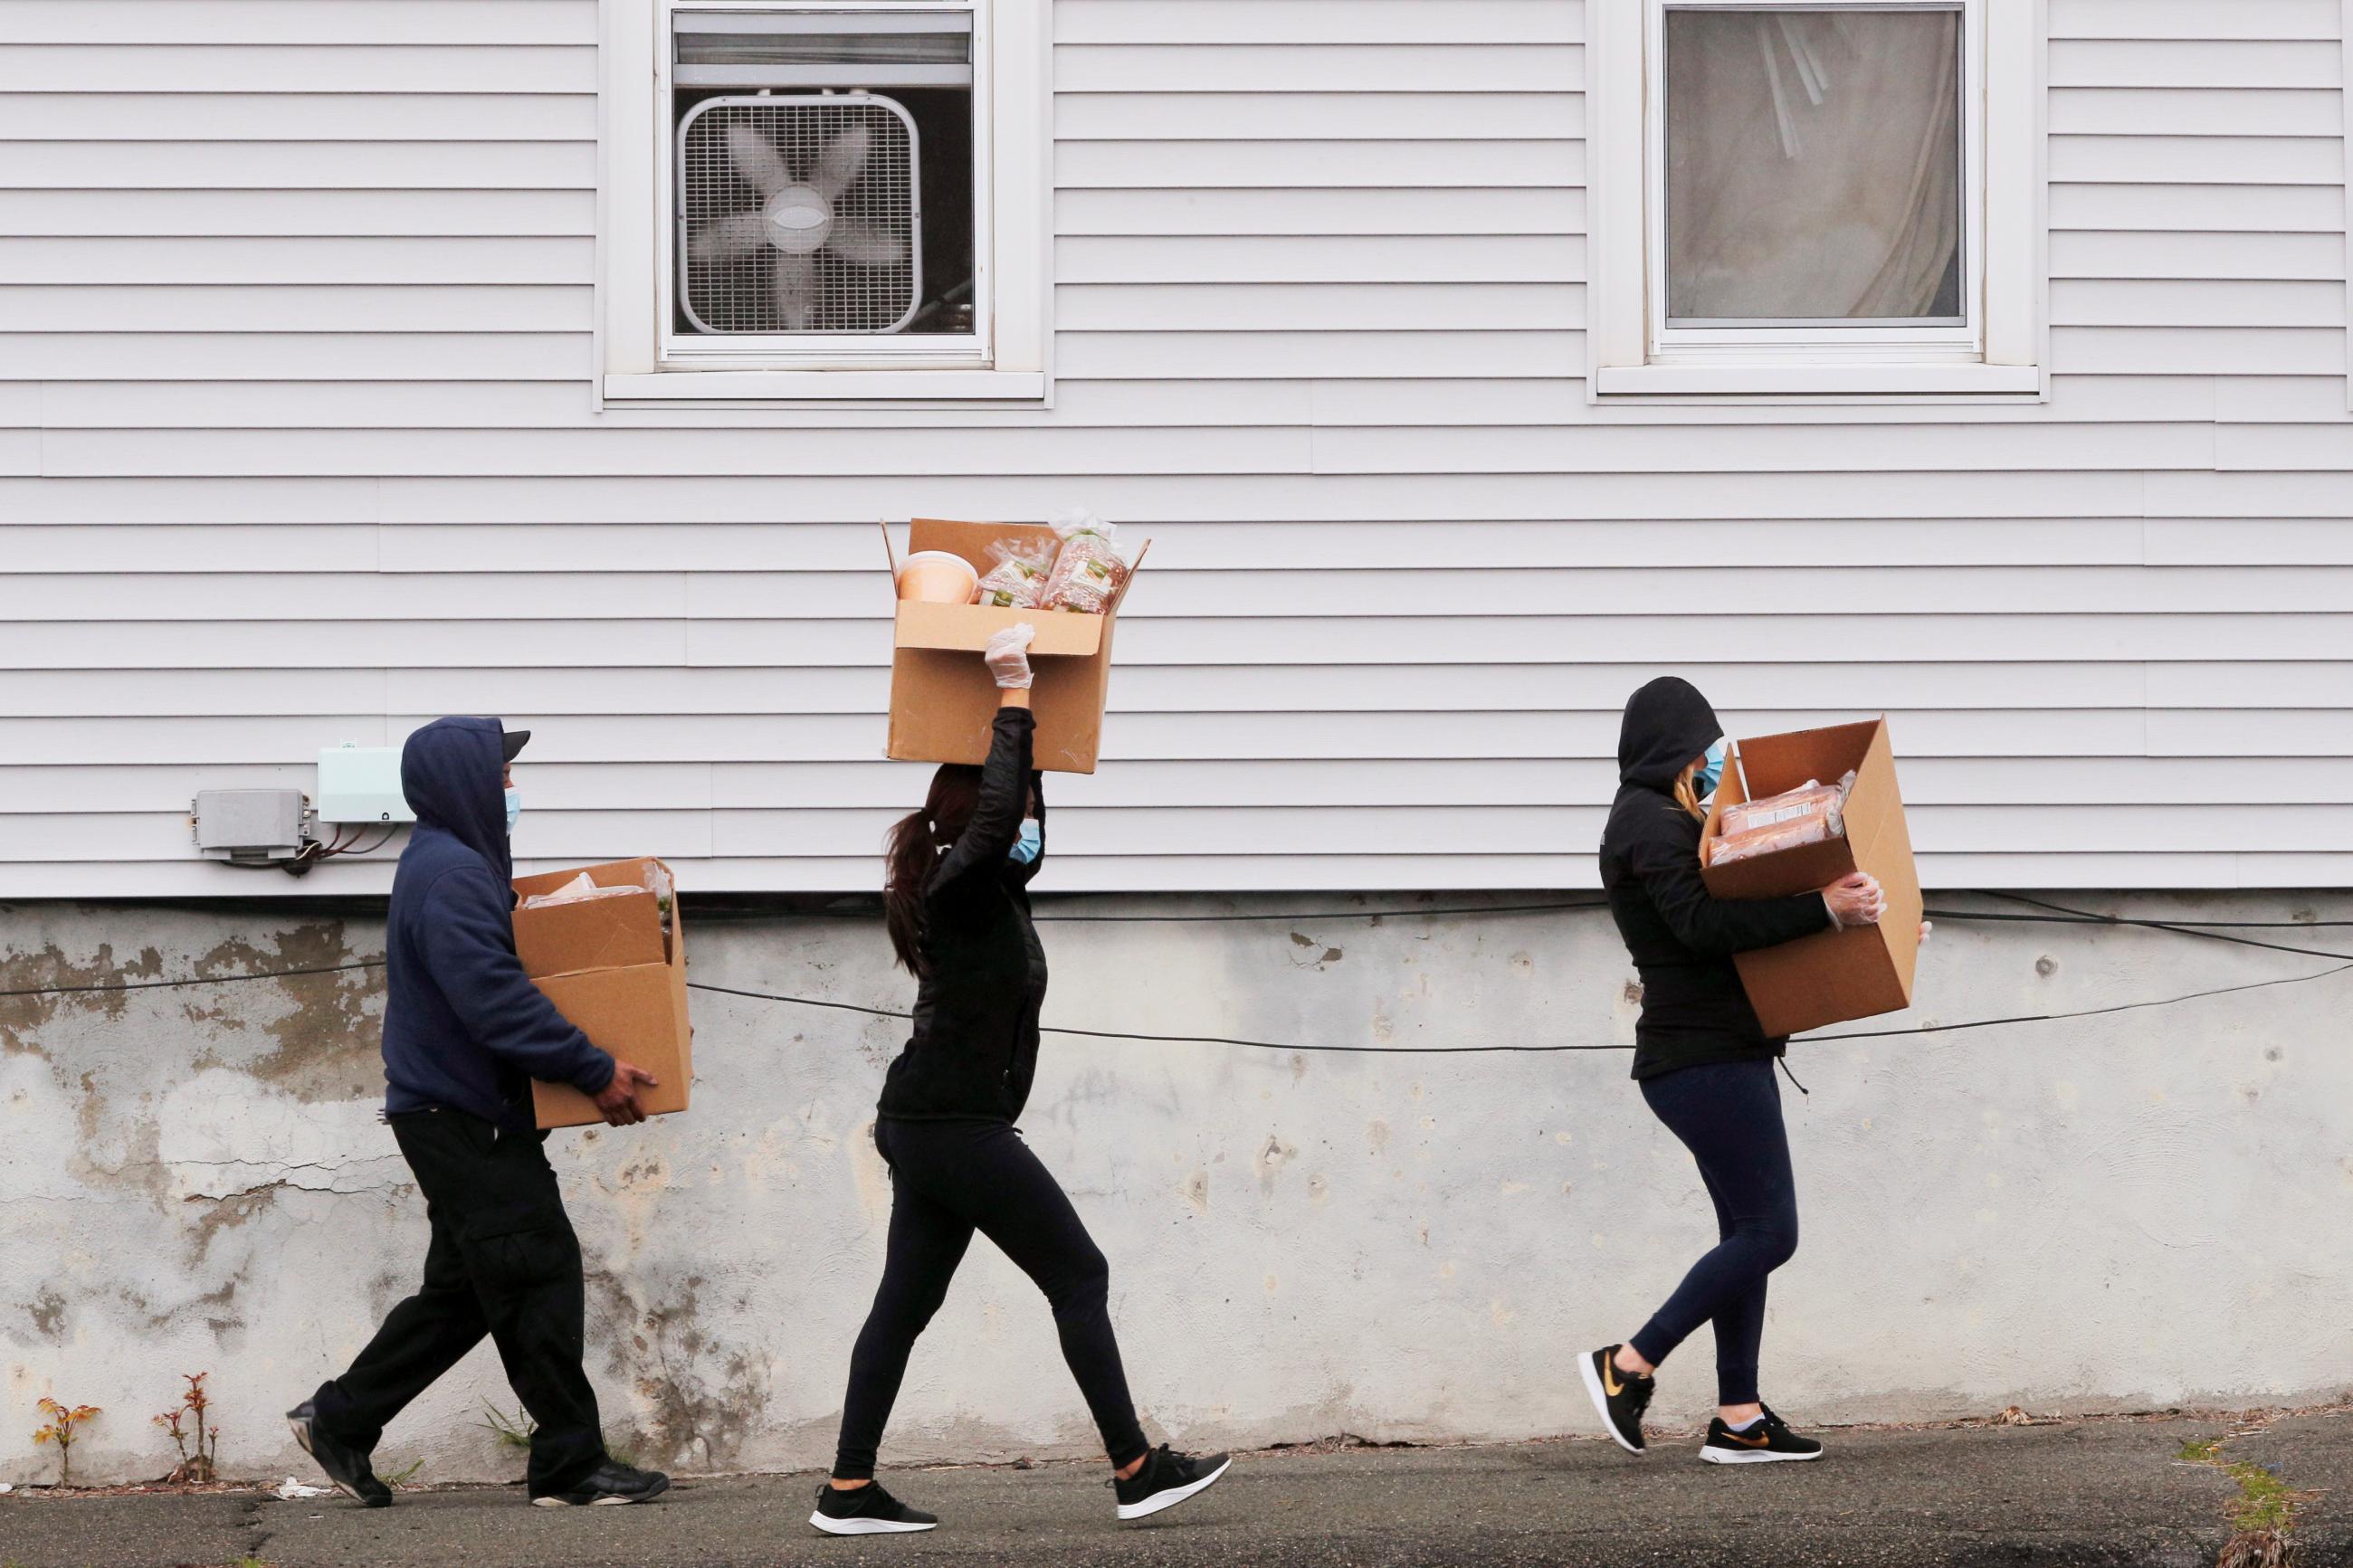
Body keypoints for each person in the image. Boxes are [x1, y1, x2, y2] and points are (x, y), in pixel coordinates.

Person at [811, 625, 1230, 1535]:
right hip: (952, 1124)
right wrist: (1010, 697)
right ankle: (1133, 1466)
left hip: (930, 1120)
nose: (1027, 823)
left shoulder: (992, 889)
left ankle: (847, 1489)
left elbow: (1022, 836)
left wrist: (1034, 756)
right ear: (974, 823)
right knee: (1079, 1272)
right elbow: (1001, 822)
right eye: (1014, 807)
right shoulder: (958, 890)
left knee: (905, 1302)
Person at [285, 718, 671, 1508]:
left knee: (465, 1290)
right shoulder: (454, 873)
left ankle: (341, 1417)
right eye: (499, 776)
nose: (508, 790)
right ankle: (570, 1464)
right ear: (463, 783)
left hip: (452, 1111)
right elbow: (493, 999)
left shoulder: (445, 865)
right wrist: (593, 1066)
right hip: (466, 1115)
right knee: (537, 1269)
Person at [1579, 677, 1885, 1466]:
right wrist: (1822, 908)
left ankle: (1739, 1417)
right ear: (1678, 749)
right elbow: (1703, 923)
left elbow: (1739, 910)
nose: (1720, 760)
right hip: (1700, 1057)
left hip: (1719, 1050)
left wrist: (1850, 918)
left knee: (1743, 1233)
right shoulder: (1647, 822)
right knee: (1770, 1232)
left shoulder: (1672, 819)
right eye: (1709, 747)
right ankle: (1628, 1363)